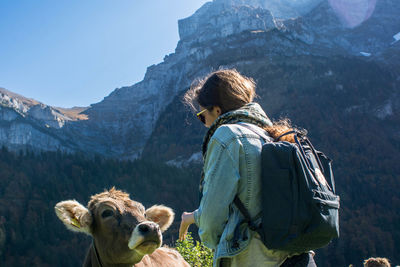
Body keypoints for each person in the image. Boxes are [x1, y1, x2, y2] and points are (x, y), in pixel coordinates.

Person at [179, 69, 316, 267]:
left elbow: (211, 219)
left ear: (217, 111)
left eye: (202, 116)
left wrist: (213, 246)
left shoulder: (227, 136)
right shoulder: (273, 135)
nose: (204, 123)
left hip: (258, 258)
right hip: (300, 256)